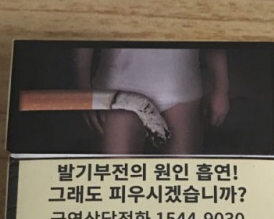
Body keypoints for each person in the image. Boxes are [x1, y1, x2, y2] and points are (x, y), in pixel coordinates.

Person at [74, 46, 229, 154]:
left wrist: (221, 88)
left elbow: (210, 31)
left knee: (181, 178)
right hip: (118, 87)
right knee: (117, 177)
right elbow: (85, 28)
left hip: (181, 87)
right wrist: (83, 90)